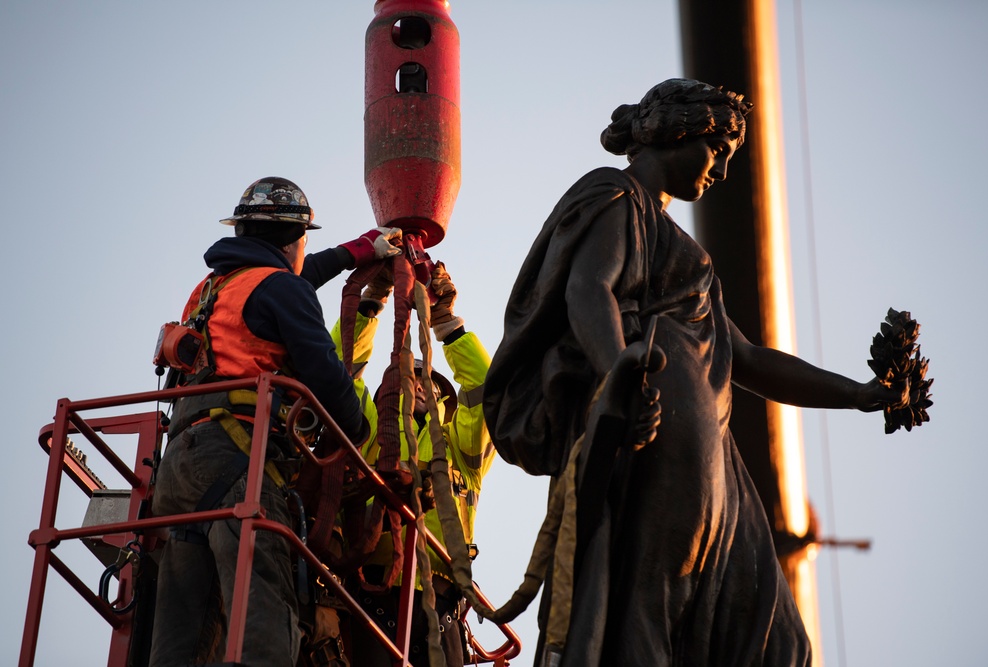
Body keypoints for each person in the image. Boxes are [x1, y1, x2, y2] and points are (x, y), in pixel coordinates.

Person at [482, 79, 903, 666]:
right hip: (652, 432)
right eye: (718, 150)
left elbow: (751, 360)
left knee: (777, 639)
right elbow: (588, 289)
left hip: (712, 458)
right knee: (645, 603)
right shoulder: (614, 194)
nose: (723, 171)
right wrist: (617, 379)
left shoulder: (687, 253)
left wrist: (858, 394)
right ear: (677, 131)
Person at [149, 176, 402, 667]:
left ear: (242, 232)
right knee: (262, 604)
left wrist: (359, 250)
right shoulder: (281, 288)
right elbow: (327, 376)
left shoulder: (211, 290)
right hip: (236, 461)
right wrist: (358, 431)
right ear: (295, 241)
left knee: (183, 631)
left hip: (178, 467)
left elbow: (288, 283)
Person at [326, 261, 495, 667]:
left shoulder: (462, 453)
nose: (419, 385)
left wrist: (446, 322)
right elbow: (338, 371)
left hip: (441, 608)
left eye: (429, 382)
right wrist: (370, 302)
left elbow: (486, 390)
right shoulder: (366, 428)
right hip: (371, 594)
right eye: (405, 377)